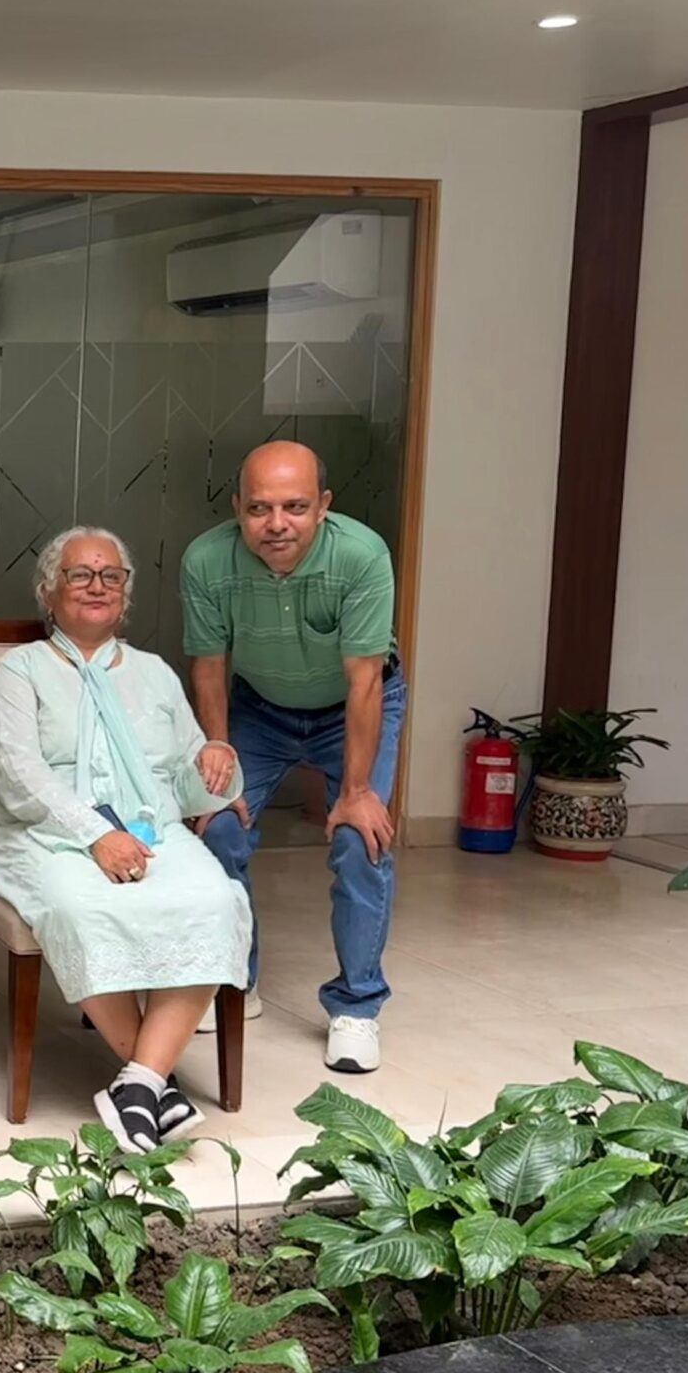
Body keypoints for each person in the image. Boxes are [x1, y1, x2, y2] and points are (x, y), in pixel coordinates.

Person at [0, 528, 251, 1150]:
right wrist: (97, 834)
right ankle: (157, 1082)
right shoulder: (19, 672)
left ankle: (141, 1083)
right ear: (50, 592)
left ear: (126, 596)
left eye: (112, 576)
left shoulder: (154, 674)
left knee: (215, 900)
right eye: (80, 574)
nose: (97, 586)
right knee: (82, 905)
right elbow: (19, 775)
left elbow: (182, 782)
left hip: (151, 826)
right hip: (43, 832)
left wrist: (214, 766)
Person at [184, 441, 402, 1074]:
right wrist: (218, 768)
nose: (277, 524)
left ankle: (357, 1008)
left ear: (324, 507)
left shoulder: (361, 556)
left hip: (354, 704)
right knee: (217, 828)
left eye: (295, 507)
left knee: (361, 840)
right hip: (259, 707)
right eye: (259, 508)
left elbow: (364, 679)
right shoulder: (206, 560)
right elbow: (208, 668)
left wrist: (357, 792)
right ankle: (232, 983)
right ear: (237, 510)